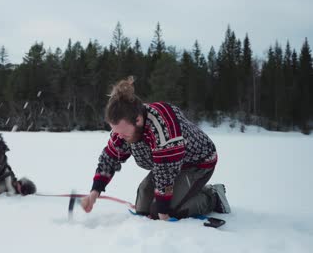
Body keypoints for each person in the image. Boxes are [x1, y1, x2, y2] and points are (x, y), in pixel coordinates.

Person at [81, 77, 231, 220]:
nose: (119, 137)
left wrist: (164, 214)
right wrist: (94, 193)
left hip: (198, 164)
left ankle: (213, 196)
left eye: (123, 133)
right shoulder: (124, 129)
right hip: (165, 165)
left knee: (166, 211)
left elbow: (166, 174)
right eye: (116, 132)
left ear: (138, 120)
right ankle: (188, 192)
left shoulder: (163, 127)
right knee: (142, 209)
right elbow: (110, 158)